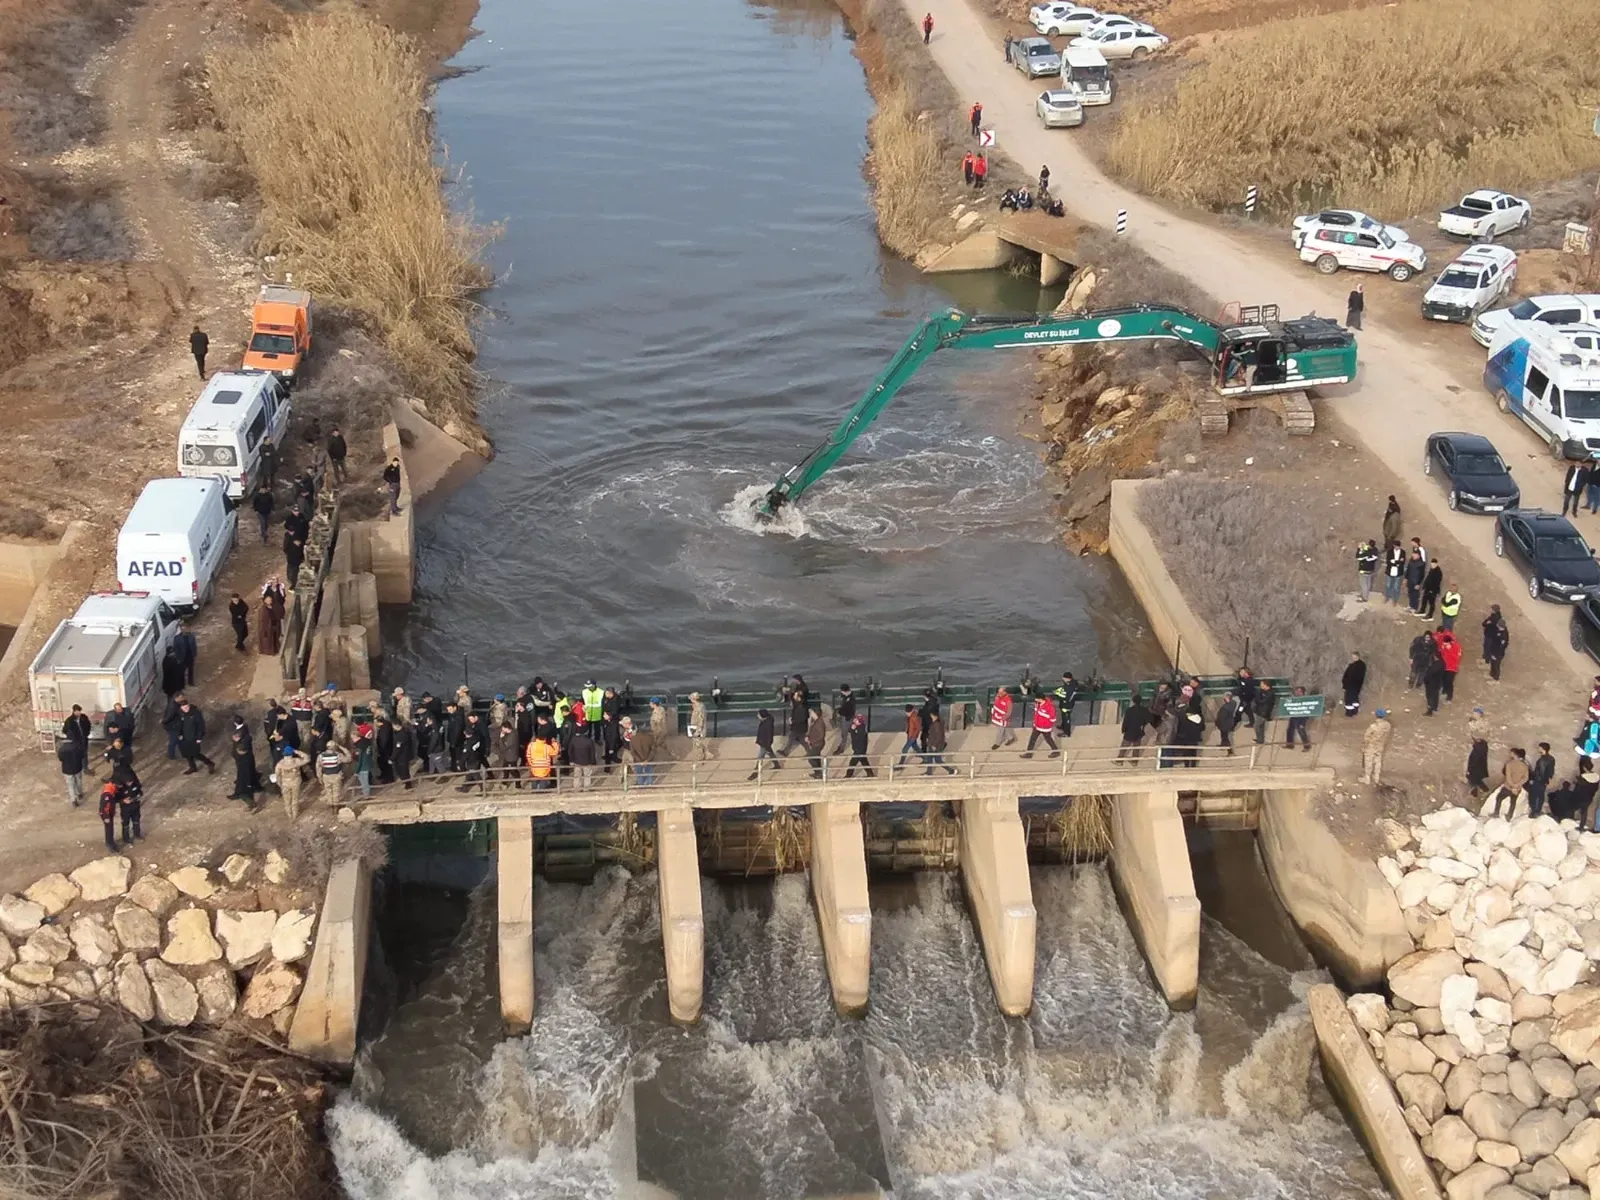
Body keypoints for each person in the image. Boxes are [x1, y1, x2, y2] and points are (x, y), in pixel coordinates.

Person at [1484, 748, 1530, 818]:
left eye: (1511, 753)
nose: (1510, 754)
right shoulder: (1525, 766)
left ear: (1515, 754)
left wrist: (1512, 786)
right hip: (1518, 788)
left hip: (1508, 787)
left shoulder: (1509, 764)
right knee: (1513, 802)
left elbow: (1508, 777)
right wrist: (1517, 785)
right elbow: (1526, 778)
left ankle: (1496, 813)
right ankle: (1509, 816)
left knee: (1499, 798)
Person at [274, 738, 310, 819]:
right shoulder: (296, 761)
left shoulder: (280, 763)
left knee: (287, 800)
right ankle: (295, 814)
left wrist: (280, 784)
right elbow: (307, 758)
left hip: (285, 783)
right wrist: (297, 751)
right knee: (295, 799)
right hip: (295, 782)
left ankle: (289, 814)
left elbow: (277, 775)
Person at [177, 700, 215, 774]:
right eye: (183, 708)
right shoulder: (181, 713)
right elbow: (180, 724)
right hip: (185, 737)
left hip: (194, 737)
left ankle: (209, 763)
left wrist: (199, 737)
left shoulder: (196, 713)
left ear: (189, 705)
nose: (185, 709)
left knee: (195, 753)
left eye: (186, 707)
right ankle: (192, 767)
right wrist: (180, 734)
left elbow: (201, 726)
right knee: (187, 753)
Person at [1024, 694, 1060, 758]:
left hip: (1045, 727)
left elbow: (1053, 719)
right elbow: (1036, 714)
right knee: (1032, 739)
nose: (1035, 699)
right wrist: (1035, 723)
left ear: (1040, 699)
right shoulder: (1038, 704)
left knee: (1048, 740)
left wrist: (1042, 714)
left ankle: (1056, 751)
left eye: (1036, 698)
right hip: (1037, 726)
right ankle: (1029, 753)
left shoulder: (1050, 706)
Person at [1118, 693, 1152, 762]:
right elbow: (1149, 719)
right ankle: (1134, 761)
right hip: (1139, 730)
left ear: (1133, 701)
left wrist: (1123, 729)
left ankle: (1119, 760)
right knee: (1136, 746)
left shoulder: (1129, 710)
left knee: (1124, 746)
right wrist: (1143, 724)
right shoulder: (1144, 710)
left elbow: (1125, 721)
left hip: (1129, 731)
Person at [1361, 710, 1392, 784]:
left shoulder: (1373, 726)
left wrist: (1364, 747)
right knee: (1378, 761)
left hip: (1371, 746)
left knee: (1368, 761)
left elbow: (1366, 737)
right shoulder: (1388, 725)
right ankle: (1376, 778)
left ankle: (1367, 778)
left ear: (1376, 716)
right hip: (1380, 746)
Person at [749, 708, 780, 780]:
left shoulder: (767, 724)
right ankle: (777, 765)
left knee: (760, 757)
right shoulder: (765, 721)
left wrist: (767, 745)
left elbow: (768, 736)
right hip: (764, 742)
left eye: (758, 714)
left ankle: (755, 772)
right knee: (770, 753)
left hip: (765, 743)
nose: (757, 716)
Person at [317, 739, 350, 806]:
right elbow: (348, 759)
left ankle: (331, 805)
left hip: (326, 776)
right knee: (336, 792)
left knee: (328, 792)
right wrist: (342, 747)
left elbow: (318, 768)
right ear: (335, 747)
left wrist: (319, 777)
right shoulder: (338, 755)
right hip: (336, 776)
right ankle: (335, 806)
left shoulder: (321, 756)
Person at [57, 734, 86, 807]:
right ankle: (79, 793)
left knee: (70, 785)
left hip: (67, 770)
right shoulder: (78, 747)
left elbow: (60, 759)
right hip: (77, 767)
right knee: (78, 781)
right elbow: (82, 756)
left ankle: (73, 800)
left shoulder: (62, 748)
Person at [230, 728, 257, 806]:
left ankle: (251, 802)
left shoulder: (245, 759)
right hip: (242, 772)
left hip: (245, 775)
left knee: (247, 789)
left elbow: (235, 753)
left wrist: (248, 783)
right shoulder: (242, 752)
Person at [1434, 627, 1462, 702]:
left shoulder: (1456, 647)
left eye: (1445, 643)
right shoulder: (1444, 647)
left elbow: (1457, 658)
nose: (1443, 644)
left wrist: (1449, 650)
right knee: (1443, 680)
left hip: (1452, 668)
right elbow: (1442, 654)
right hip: (1444, 667)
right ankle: (1444, 691)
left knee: (1449, 682)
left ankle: (1449, 696)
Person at [1482, 605, 1509, 681]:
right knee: (1493, 664)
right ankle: (1491, 674)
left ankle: (1495, 678)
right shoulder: (1499, 631)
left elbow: (1501, 647)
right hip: (1493, 650)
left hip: (1497, 654)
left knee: (1496, 665)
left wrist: (1495, 655)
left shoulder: (1503, 636)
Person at [1529, 742, 1556, 817]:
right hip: (1541, 780)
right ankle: (1536, 811)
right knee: (1539, 795)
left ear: (1543, 749)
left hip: (1539, 780)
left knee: (1536, 796)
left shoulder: (1545, 759)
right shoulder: (1548, 758)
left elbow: (1541, 771)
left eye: (1539, 747)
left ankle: (1535, 811)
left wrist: (1535, 778)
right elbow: (1551, 771)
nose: (1538, 749)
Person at [1283, 686, 1312, 751]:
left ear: (1303, 692)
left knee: (1301, 730)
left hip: (1302, 717)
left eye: (1299, 691)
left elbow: (1307, 711)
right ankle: (1290, 744)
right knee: (1290, 730)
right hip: (1294, 716)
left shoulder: (1305, 700)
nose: (1298, 693)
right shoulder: (1295, 699)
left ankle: (1307, 746)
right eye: (1297, 691)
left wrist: (1303, 722)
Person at [832, 684, 858, 755]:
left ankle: (841, 748)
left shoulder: (850, 700)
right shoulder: (848, 697)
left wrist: (840, 712)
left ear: (844, 691)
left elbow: (848, 711)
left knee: (844, 735)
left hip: (847, 719)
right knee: (846, 734)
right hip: (847, 717)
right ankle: (842, 747)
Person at [1576, 757, 1600, 831]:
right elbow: (1596, 788)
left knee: (1583, 811)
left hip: (1582, 797)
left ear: (1584, 767)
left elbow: (1578, 789)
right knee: (1585, 810)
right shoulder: (1596, 776)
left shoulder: (1583, 777)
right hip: (1590, 797)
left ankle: (1581, 826)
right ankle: (1582, 825)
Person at [98, 781, 122, 853]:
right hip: (106, 815)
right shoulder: (107, 794)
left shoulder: (111, 789)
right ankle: (109, 844)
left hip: (109, 813)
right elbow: (103, 807)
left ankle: (111, 842)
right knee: (109, 829)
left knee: (110, 828)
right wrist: (106, 817)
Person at [259, 591, 283, 657]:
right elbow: (262, 620)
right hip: (268, 627)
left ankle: (276, 649)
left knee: (276, 637)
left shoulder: (274, 606)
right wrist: (264, 629)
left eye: (270, 600)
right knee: (270, 640)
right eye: (268, 600)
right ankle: (271, 651)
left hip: (275, 624)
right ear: (265, 601)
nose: (270, 601)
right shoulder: (263, 609)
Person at [1342, 653, 1367, 717]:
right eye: (1352, 657)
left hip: (1353, 685)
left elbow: (1352, 676)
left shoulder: (1358, 665)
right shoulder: (1354, 665)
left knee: (1349, 699)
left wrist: (1346, 685)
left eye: (1354, 657)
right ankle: (1354, 711)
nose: (1353, 658)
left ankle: (1349, 713)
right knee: (1354, 698)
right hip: (1353, 685)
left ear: (1358, 656)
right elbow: (1347, 675)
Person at [249, 480, 274, 544]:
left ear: (265, 489)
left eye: (263, 489)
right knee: (262, 523)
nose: (262, 490)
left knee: (265, 524)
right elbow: (254, 503)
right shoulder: (257, 495)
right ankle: (264, 535)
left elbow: (271, 502)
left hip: (267, 512)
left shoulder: (269, 495)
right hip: (259, 512)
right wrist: (256, 510)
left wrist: (272, 509)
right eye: (261, 489)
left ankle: (264, 533)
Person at [1466, 732, 1491, 797]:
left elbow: (1474, 759)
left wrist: (1469, 769)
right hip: (1478, 767)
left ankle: (1484, 790)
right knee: (1474, 779)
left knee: (1473, 778)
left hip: (1476, 767)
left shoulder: (1479, 748)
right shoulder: (1481, 746)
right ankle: (1476, 792)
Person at [1253, 679, 1276, 744]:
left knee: (1256, 726)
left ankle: (1259, 739)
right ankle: (1260, 739)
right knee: (1261, 726)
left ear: (1266, 685)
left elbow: (1262, 701)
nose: (1260, 686)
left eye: (1262, 684)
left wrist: (1258, 697)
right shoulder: (1263, 691)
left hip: (1263, 712)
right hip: (1260, 711)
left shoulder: (1270, 693)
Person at [1383, 540, 1406, 605]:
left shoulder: (1403, 552)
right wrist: (1397, 563)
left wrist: (1394, 562)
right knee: (1388, 585)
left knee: (1396, 587)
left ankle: (1395, 600)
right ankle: (1387, 597)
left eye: (1398, 546)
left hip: (1398, 572)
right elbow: (1388, 562)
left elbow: (1402, 562)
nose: (1397, 548)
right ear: (1394, 546)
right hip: (1390, 571)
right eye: (1396, 546)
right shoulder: (1390, 552)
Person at [687, 691, 708, 761]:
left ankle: (701, 757)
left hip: (699, 728)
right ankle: (703, 754)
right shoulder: (697, 706)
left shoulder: (700, 707)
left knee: (698, 743)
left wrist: (698, 730)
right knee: (696, 742)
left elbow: (701, 720)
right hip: (694, 727)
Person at [1404, 547, 1426, 612]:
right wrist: (1406, 578)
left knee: (1415, 595)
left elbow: (1422, 575)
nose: (1413, 555)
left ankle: (1414, 607)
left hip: (1416, 582)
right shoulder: (1411, 561)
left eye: (1415, 554)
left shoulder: (1421, 564)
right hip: (1410, 580)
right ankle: (1410, 605)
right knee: (1410, 593)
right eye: (1413, 553)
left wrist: (1418, 584)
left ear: (1418, 555)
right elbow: (1408, 570)